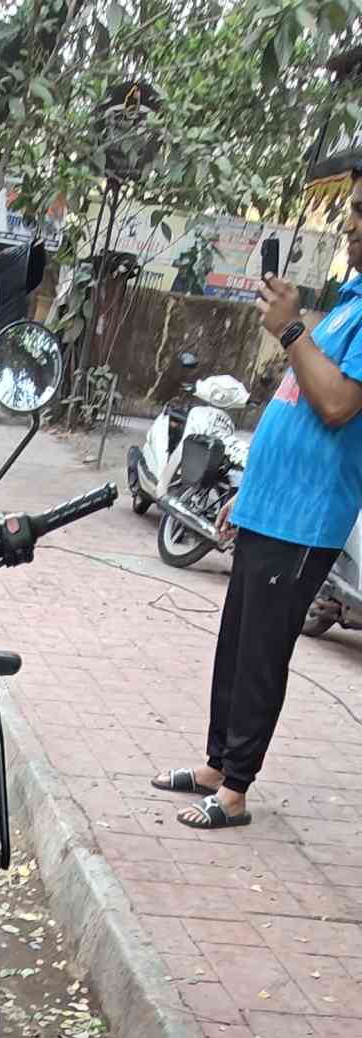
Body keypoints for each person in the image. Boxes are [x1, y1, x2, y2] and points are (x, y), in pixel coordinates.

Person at [153, 172, 362, 834]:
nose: (350, 224)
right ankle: (218, 763)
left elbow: (337, 404)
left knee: (264, 650)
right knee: (237, 642)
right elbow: (299, 404)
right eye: (352, 211)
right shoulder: (350, 304)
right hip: (272, 506)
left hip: (308, 517)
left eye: (361, 213)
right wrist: (250, 490)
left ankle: (236, 790)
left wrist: (293, 329)